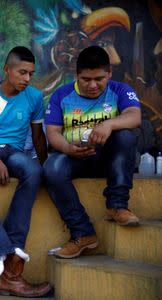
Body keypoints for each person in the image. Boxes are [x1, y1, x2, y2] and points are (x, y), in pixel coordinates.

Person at [0, 46, 51, 297]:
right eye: (22, 72)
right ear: (7, 70)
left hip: (14, 152)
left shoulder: (34, 97)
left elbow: (37, 137)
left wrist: (44, 167)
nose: (27, 78)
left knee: (33, 172)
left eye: (31, 74)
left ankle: (14, 244)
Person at [43, 45, 141, 259]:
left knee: (126, 135)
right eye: (86, 79)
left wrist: (109, 125)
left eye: (99, 78)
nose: (93, 85)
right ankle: (83, 233)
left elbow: (134, 116)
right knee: (51, 168)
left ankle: (117, 206)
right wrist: (68, 148)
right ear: (76, 74)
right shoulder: (61, 95)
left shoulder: (121, 90)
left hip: (109, 160)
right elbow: (52, 133)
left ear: (109, 73)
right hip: (75, 158)